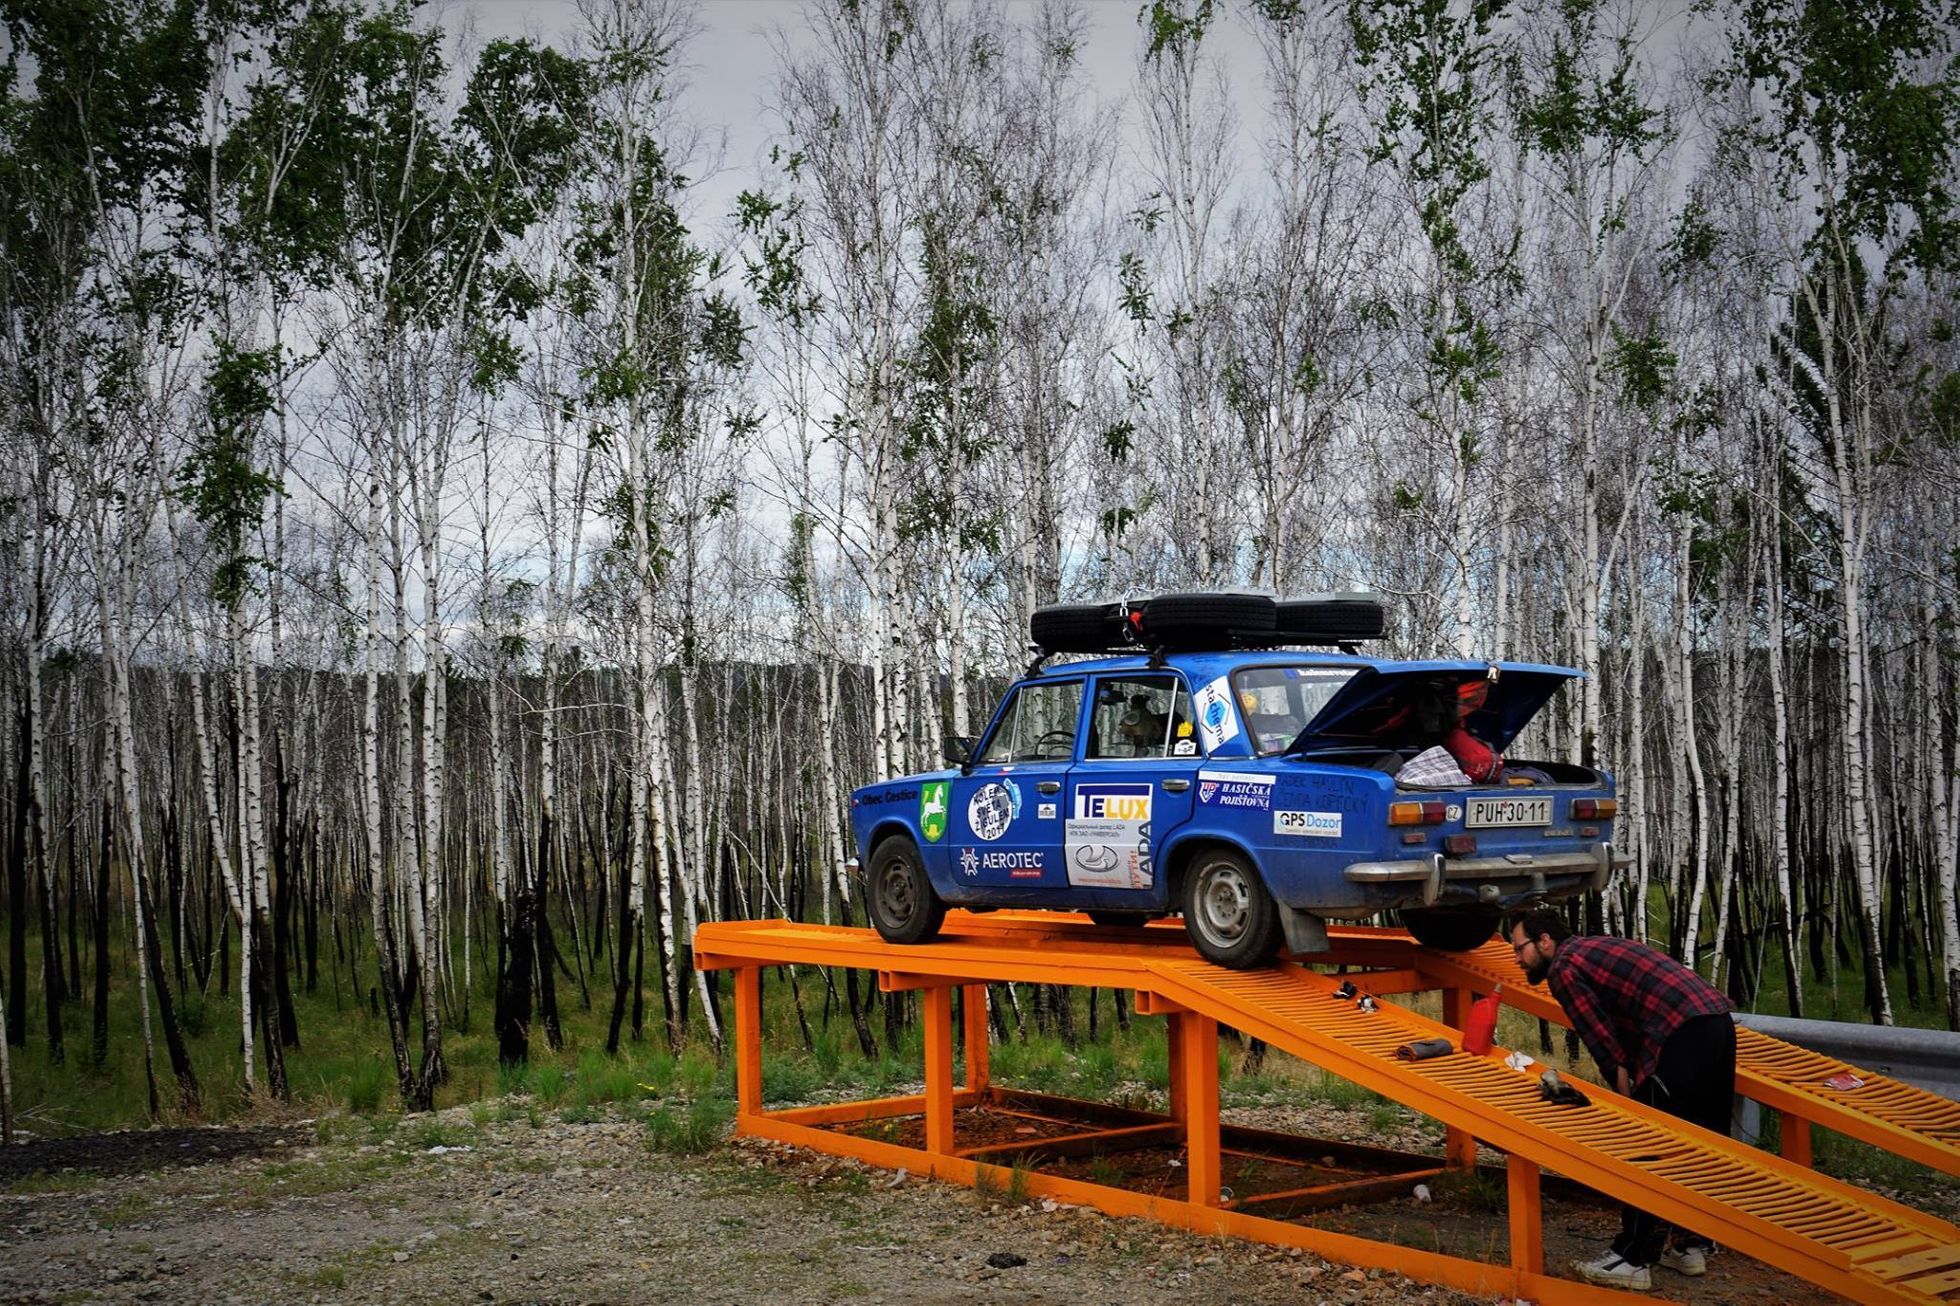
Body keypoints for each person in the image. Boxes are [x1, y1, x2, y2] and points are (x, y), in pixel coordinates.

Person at [1506, 909, 1735, 1292]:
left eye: (1519, 948)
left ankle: (1632, 1258)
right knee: (1701, 1141)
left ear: (1544, 940)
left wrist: (1625, 1091)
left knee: (1650, 1146)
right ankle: (1690, 1244)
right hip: (1716, 1021)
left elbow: (1598, 1036)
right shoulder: (1593, 946)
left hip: (1679, 1032)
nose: (1516, 958)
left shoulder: (1564, 967)